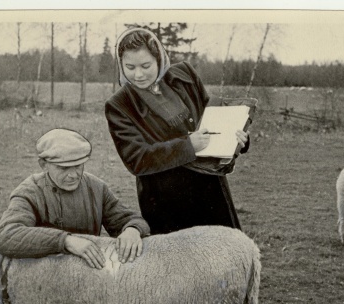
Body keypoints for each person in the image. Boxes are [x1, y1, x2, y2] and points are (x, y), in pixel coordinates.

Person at [0, 127, 151, 304]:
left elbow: (130, 219)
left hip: (86, 285)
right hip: (43, 293)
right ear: (43, 164)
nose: (73, 175)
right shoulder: (29, 192)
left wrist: (132, 229)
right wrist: (65, 241)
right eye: (63, 168)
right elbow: (6, 236)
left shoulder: (96, 187)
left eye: (78, 166)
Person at [105, 27, 250, 235]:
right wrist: (187, 146)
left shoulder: (184, 75)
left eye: (146, 65)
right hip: (167, 200)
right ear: (121, 65)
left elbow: (212, 117)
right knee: (181, 263)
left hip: (211, 190)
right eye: (130, 67)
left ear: (159, 59)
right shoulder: (120, 105)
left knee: (223, 256)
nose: (138, 74)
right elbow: (136, 159)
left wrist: (237, 138)